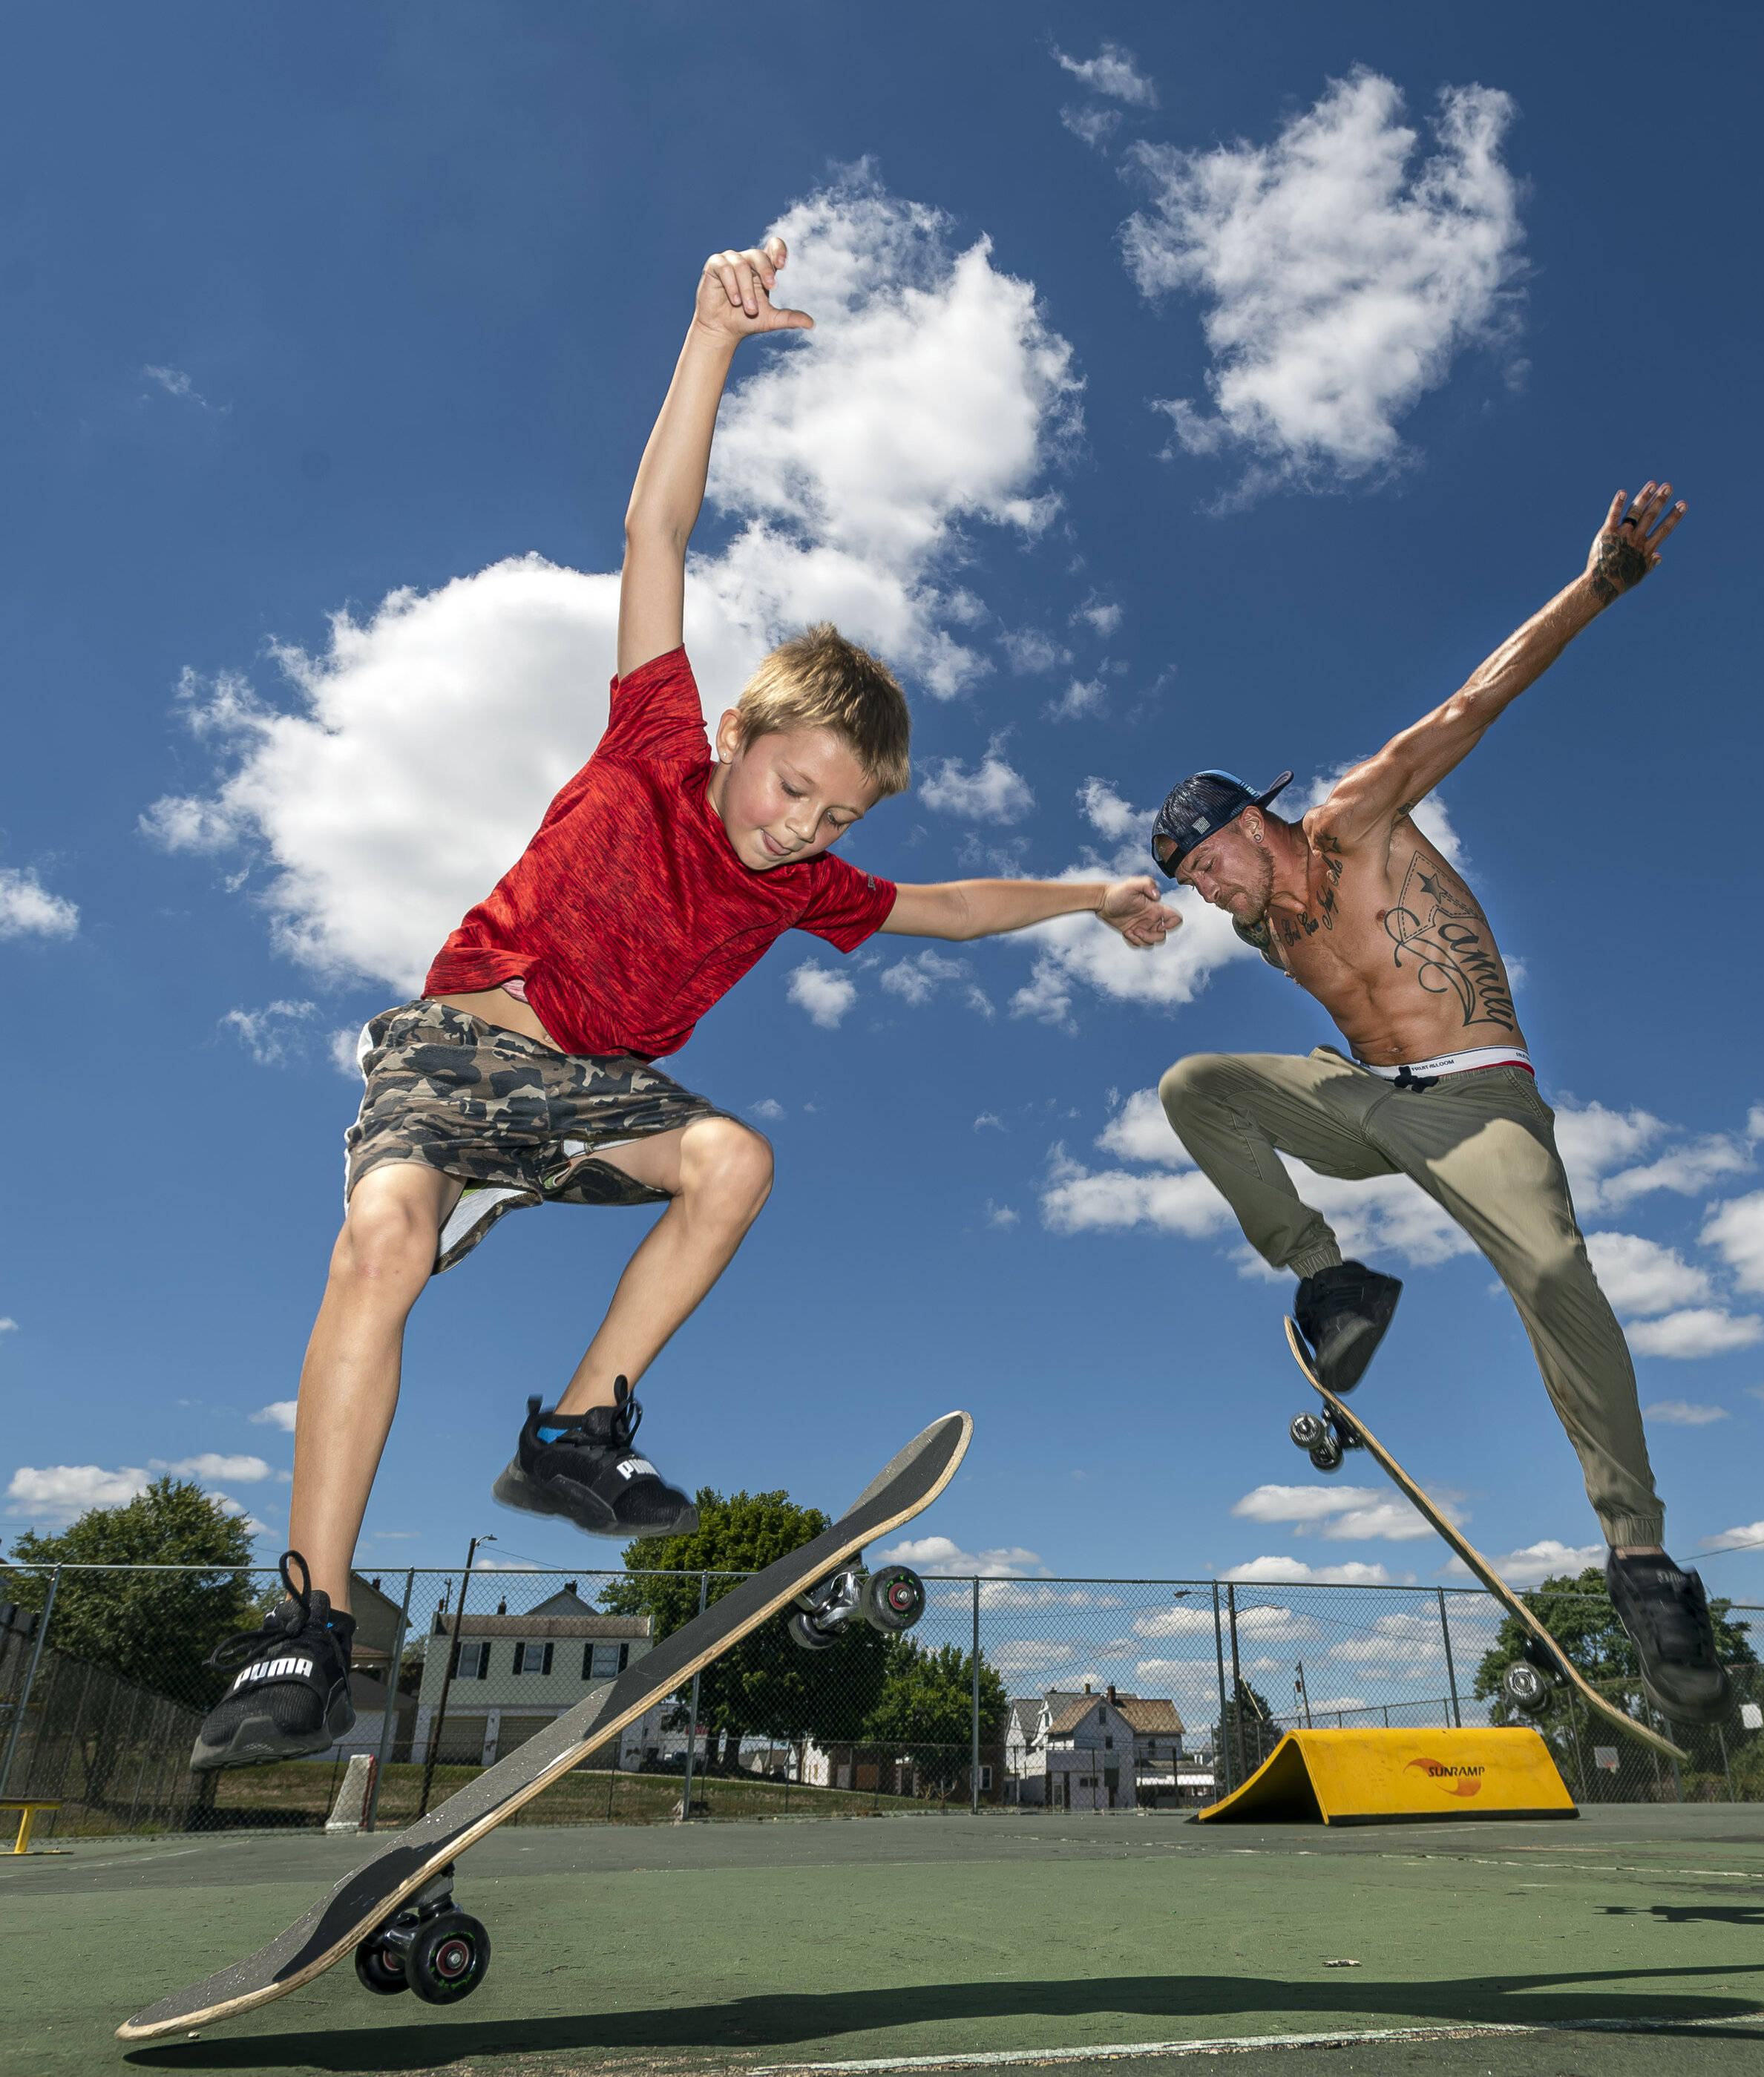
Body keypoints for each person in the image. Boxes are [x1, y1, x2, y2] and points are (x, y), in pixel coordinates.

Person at [191, 237, 1180, 1770]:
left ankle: (575, 1431)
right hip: (461, 1046)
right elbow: (658, 521)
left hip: (598, 1089)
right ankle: (305, 1625)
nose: (800, 829)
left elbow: (950, 909)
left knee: (734, 1157)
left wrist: (1092, 891)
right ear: (737, 731)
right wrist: (710, 338)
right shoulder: (653, 727)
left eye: (833, 819)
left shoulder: (799, 889)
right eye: (792, 787)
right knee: (380, 1239)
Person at [1152, 482, 1731, 1725]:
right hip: (1371, 1106)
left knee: (1556, 1278)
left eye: (1213, 867)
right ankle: (1331, 1280)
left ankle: (1639, 1559)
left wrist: (1600, 585)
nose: (1213, 898)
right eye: (1194, 886)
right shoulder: (1265, 932)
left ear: (1259, 822)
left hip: (1481, 1107)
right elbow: (1232, 957)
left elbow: (1479, 699)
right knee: (1196, 1085)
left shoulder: (1361, 817)